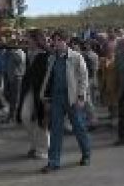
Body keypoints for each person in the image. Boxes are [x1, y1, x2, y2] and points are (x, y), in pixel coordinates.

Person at [41, 30, 91, 174]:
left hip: (72, 97)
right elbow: (49, 79)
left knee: (79, 127)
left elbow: (83, 77)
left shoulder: (76, 57)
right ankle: (53, 162)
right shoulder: (52, 58)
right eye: (54, 40)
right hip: (57, 98)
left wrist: (81, 97)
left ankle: (86, 154)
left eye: (59, 40)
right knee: (56, 130)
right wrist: (46, 97)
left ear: (66, 41)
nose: (56, 43)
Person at [17, 29, 49, 159]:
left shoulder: (46, 55)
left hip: (42, 91)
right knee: (25, 116)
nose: (26, 40)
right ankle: (34, 144)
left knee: (41, 120)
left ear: (36, 40)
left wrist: (47, 95)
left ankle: (43, 149)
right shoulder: (29, 53)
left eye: (29, 38)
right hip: (29, 90)